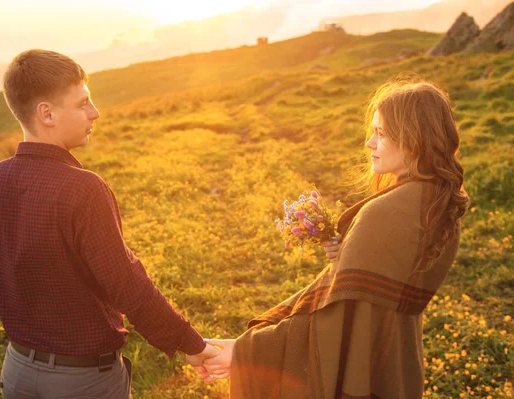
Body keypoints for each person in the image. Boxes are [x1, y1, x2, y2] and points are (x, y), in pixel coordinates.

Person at [0, 49, 218, 399]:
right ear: (47, 113)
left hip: (17, 371)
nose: (95, 113)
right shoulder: (84, 190)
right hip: (82, 382)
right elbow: (127, 284)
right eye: (83, 103)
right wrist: (191, 344)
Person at [200, 79, 469, 398]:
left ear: (413, 140)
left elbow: (332, 318)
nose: (369, 143)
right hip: (396, 363)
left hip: (358, 371)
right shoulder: (437, 203)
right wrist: (346, 258)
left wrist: (247, 351)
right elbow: (374, 294)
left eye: (381, 133)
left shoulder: (386, 214)